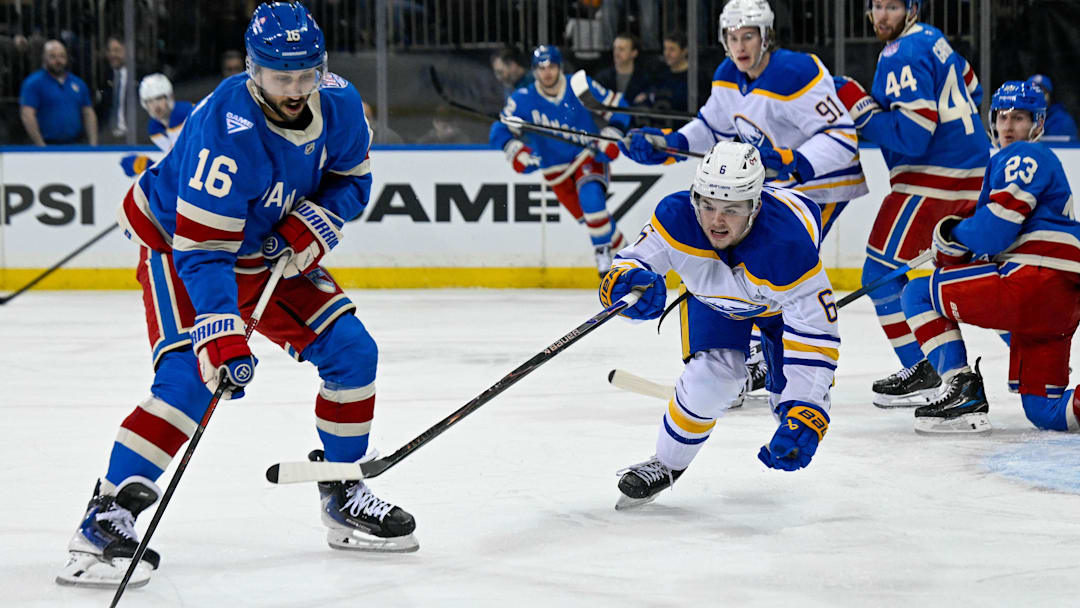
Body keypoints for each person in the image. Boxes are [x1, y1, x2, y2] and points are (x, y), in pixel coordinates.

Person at [56, 2, 417, 590]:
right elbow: (204, 253)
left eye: (306, 75)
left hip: (265, 247)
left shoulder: (342, 103)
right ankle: (106, 517)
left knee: (354, 352)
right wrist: (220, 331)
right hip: (181, 247)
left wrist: (318, 221)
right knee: (188, 381)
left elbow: (352, 179)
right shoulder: (225, 132)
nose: (296, 90)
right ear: (254, 69)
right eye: (282, 78)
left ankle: (344, 491)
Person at [619, 0, 867, 402]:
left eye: (748, 36)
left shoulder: (796, 71)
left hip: (820, 183)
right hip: (770, 187)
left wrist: (793, 160)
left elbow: (842, 138)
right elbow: (712, 127)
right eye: (733, 38)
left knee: (779, 259)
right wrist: (670, 144)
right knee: (736, 255)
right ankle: (752, 354)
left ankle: (799, 362)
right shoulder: (727, 75)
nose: (740, 46)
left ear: (766, 36)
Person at [601, 141, 838, 509]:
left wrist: (806, 409)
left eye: (732, 210)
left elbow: (816, 334)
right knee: (711, 380)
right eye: (708, 205)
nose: (715, 220)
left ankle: (767, 365)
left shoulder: (788, 247)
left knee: (787, 410)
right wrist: (625, 283)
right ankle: (666, 463)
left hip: (776, 309)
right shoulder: (677, 216)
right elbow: (630, 263)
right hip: (715, 298)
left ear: (755, 206)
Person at [831, 0, 991, 407]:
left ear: (912, 8)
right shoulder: (934, 39)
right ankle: (941, 365)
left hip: (932, 180)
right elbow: (972, 86)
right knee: (938, 275)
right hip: (970, 174)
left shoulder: (901, 52)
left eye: (892, 6)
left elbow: (914, 135)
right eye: (877, 6)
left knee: (879, 275)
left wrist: (862, 109)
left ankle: (932, 368)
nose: (882, 15)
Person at [899, 81, 1080, 434]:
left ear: (1038, 125)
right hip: (1058, 305)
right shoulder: (1032, 164)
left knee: (918, 294)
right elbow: (989, 244)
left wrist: (951, 235)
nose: (1009, 126)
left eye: (1020, 118)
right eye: (1003, 117)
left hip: (1037, 279)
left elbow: (994, 230)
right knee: (1046, 411)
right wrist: (955, 249)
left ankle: (960, 390)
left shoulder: (1025, 155)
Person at [489, 44, 631, 278]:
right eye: (541, 68)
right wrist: (515, 149)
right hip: (555, 171)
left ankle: (603, 254)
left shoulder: (578, 86)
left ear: (560, 67)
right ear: (534, 71)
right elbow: (498, 130)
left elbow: (617, 106)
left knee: (591, 199)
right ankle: (629, 256)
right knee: (595, 220)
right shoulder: (523, 100)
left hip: (587, 156)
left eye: (552, 66)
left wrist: (613, 132)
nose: (547, 72)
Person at [19, 39, 98, 146]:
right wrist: (41, 146)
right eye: (53, 56)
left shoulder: (78, 83)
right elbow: (27, 115)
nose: (58, 60)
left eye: (62, 56)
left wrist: (93, 145)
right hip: (47, 144)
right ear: (44, 58)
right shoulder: (33, 83)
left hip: (74, 145)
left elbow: (88, 113)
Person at [119, 73, 195, 177]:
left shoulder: (183, 113)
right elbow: (177, 167)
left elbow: (187, 163)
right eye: (149, 101)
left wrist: (149, 166)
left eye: (159, 98)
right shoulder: (155, 128)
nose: (155, 105)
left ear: (170, 97)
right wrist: (148, 166)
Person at [593, 32, 651, 110]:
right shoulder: (602, 77)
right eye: (615, 48)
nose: (616, 53)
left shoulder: (645, 79)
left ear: (634, 53)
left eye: (621, 49)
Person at [98, 36, 133, 140]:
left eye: (117, 50)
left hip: (134, 138)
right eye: (109, 51)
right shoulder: (103, 78)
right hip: (108, 139)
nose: (112, 55)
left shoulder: (139, 77)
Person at [1026, 74, 1077, 142]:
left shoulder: (1062, 120)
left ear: (1050, 97)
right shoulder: (1019, 117)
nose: (1037, 97)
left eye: (1042, 93)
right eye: (1032, 93)